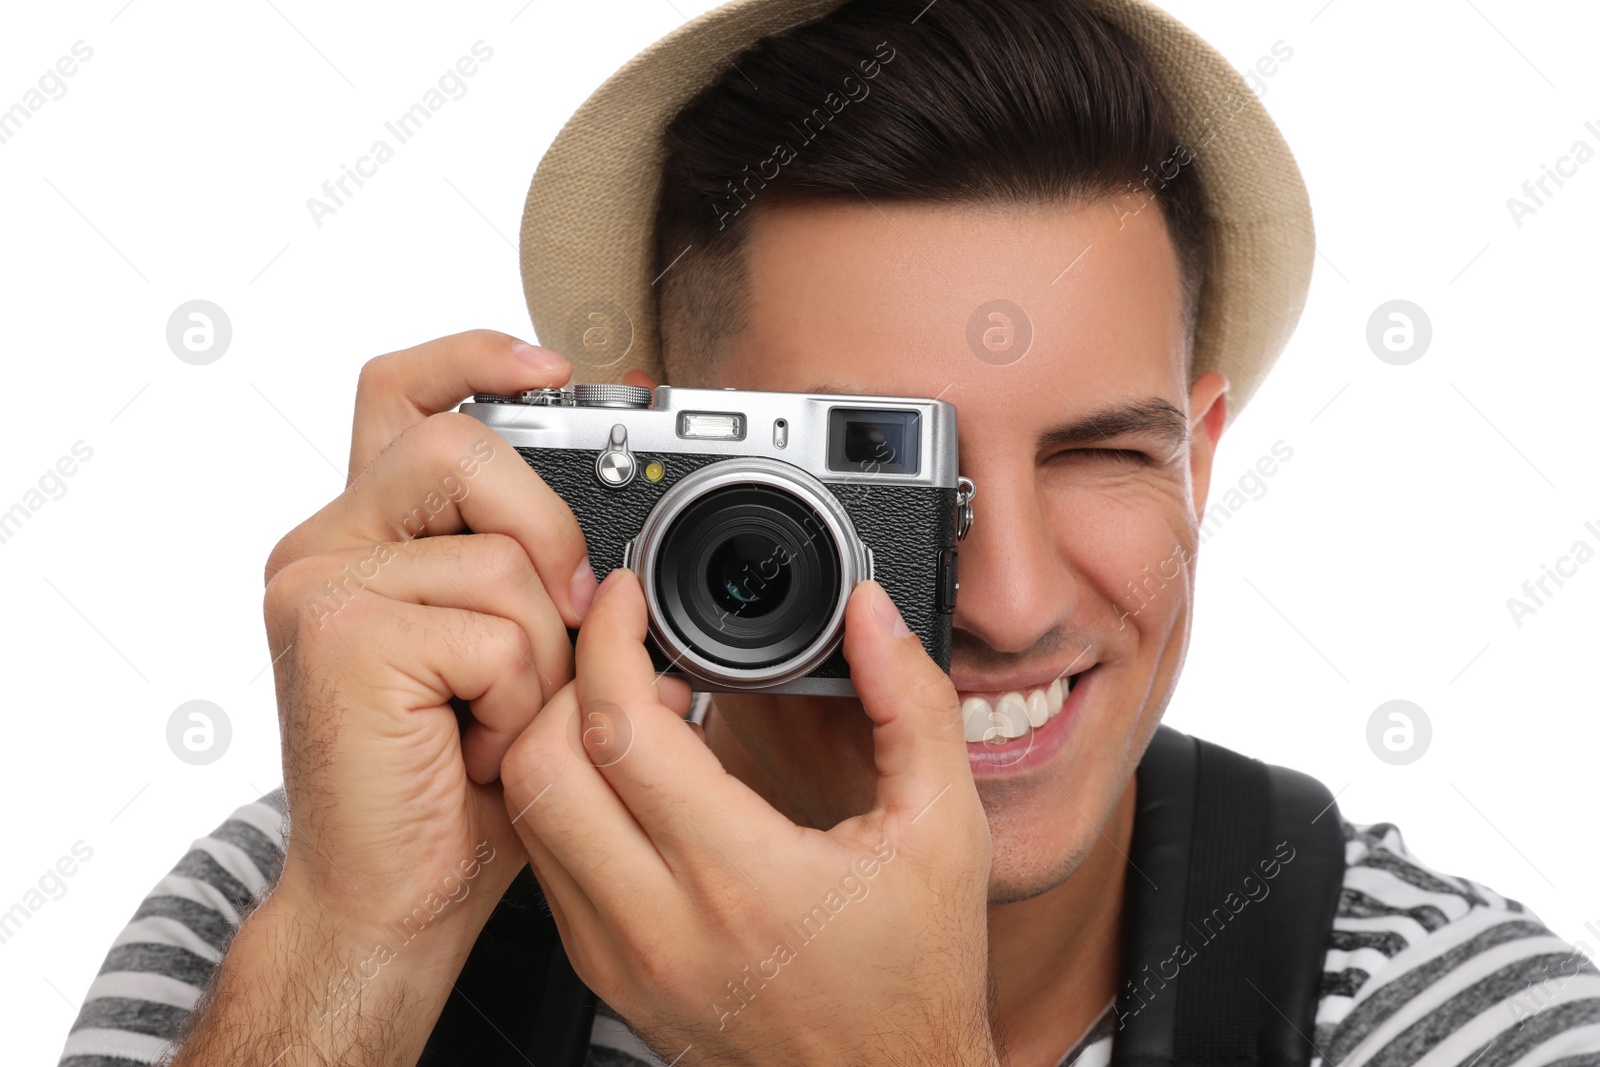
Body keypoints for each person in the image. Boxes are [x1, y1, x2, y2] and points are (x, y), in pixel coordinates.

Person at [58, 0, 1600, 1064]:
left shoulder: (1419, 1009)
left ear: (1199, 457)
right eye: (861, 478)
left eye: (1099, 453)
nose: (999, 602)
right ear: (649, 480)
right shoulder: (301, 904)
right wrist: (364, 951)